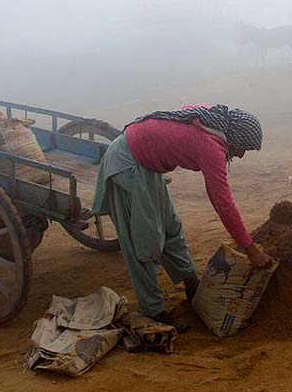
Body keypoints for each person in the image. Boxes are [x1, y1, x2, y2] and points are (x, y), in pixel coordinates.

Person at [91, 104, 273, 331]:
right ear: (234, 137)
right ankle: (154, 310)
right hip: (127, 163)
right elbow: (222, 202)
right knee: (144, 241)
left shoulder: (214, 121)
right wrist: (250, 248)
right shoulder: (210, 146)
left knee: (171, 227)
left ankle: (191, 284)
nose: (241, 154)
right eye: (243, 148)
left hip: (146, 162)